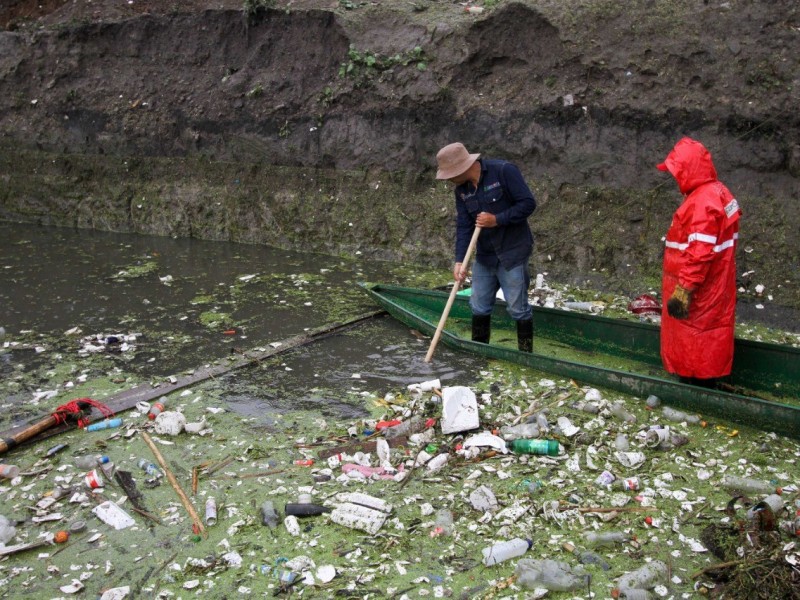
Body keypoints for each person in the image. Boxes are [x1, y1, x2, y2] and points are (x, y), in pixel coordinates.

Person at [656, 137, 742, 387]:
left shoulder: (702, 203)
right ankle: (704, 384)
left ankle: (695, 391)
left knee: (695, 342)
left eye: (676, 171)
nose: (675, 177)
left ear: (688, 170)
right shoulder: (720, 192)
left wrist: (684, 290)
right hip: (717, 285)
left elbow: (700, 253)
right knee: (710, 337)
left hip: (700, 291)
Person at [435, 142, 537, 351]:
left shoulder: (503, 171)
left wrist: (497, 219)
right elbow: (464, 226)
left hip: (512, 252)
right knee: (479, 306)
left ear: (463, 168)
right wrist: (459, 260)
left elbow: (528, 204)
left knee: (518, 308)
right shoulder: (461, 192)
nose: (449, 180)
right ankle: (478, 352)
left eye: (450, 174)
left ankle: (526, 354)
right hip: (485, 256)